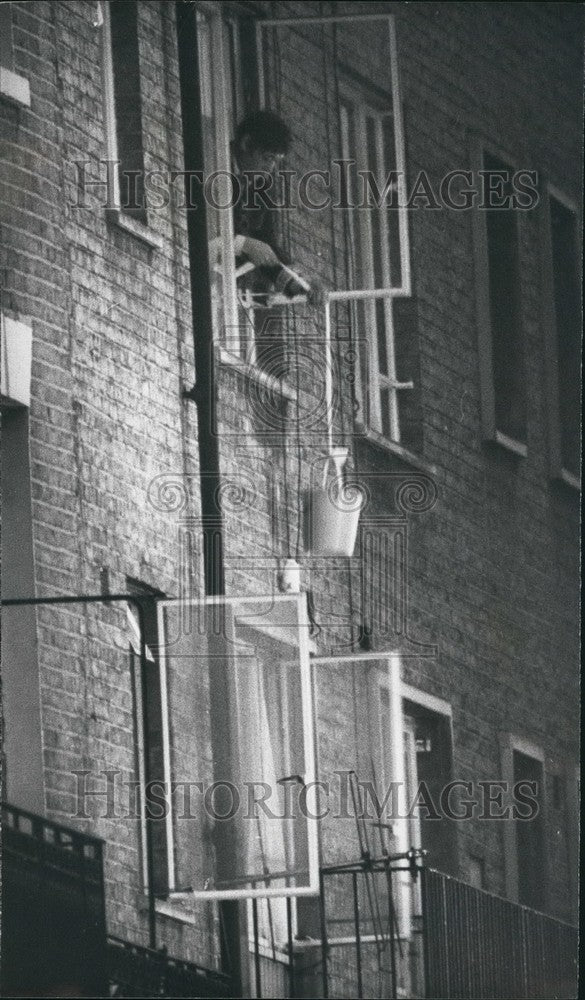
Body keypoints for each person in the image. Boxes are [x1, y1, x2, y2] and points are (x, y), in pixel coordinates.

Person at [211, 110, 323, 307]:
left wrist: (299, 283)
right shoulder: (212, 163)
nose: (270, 169)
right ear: (246, 144)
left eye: (275, 161)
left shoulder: (262, 183)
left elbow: (267, 243)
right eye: (267, 158)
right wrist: (244, 243)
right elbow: (206, 230)